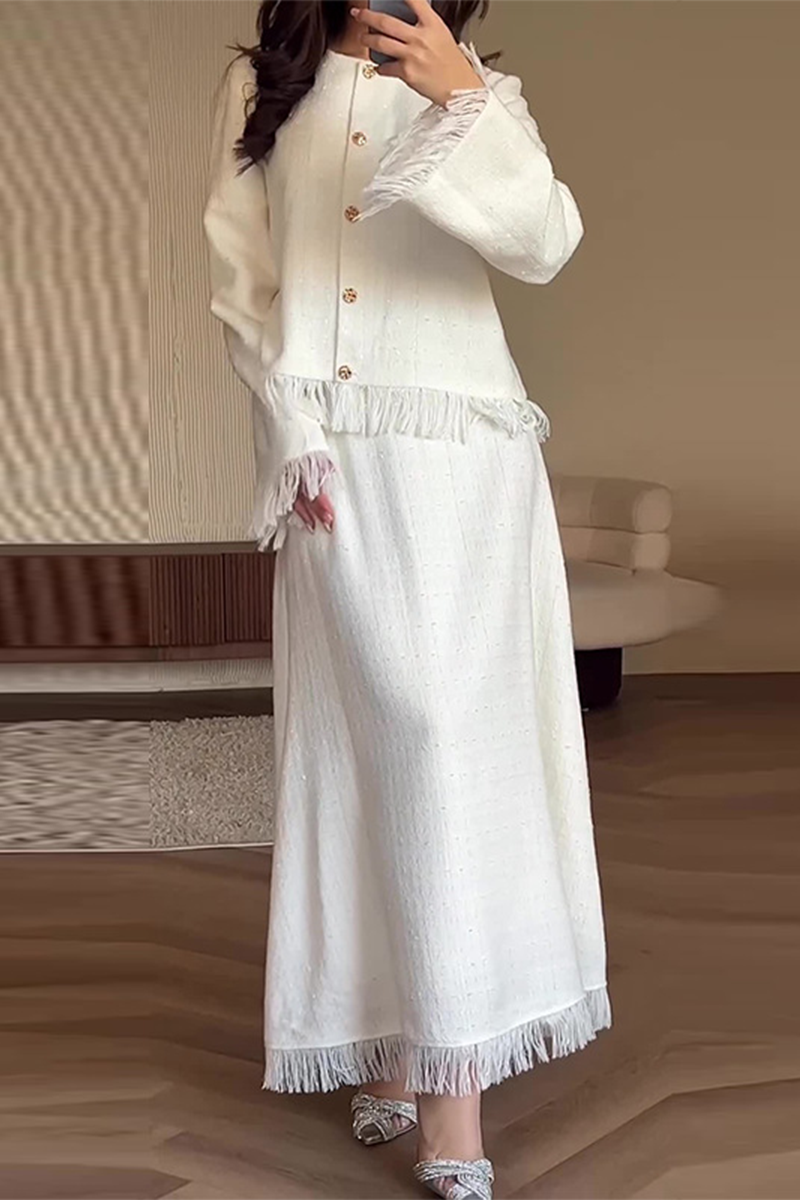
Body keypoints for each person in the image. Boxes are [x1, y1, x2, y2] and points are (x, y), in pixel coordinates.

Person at [203, 1, 611, 1196]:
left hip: (463, 457)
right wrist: (291, 429)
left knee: (443, 743)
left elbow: (542, 242)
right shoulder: (259, 91)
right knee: (357, 746)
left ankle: (449, 1096)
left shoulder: (477, 87)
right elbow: (243, 281)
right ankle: (387, 1036)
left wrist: (458, 96)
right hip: (332, 456)